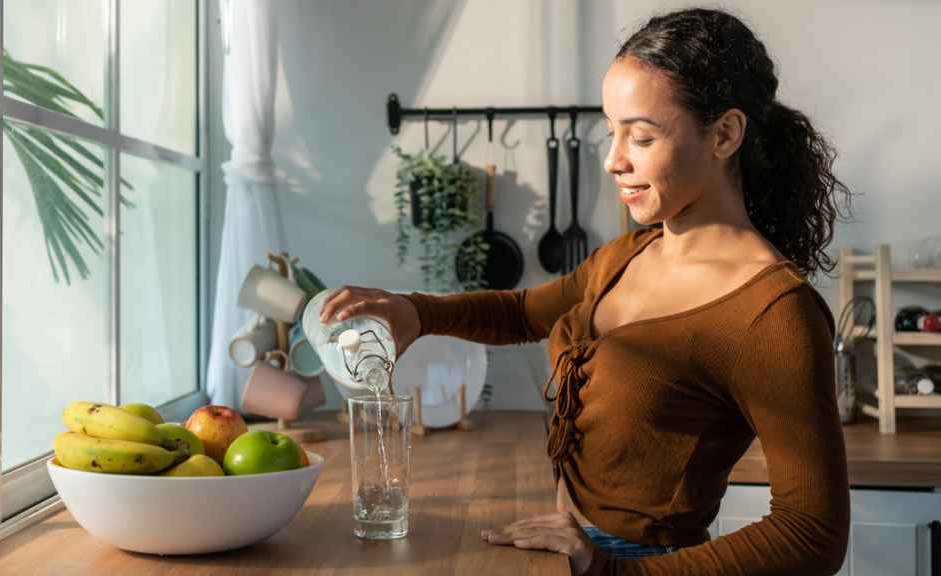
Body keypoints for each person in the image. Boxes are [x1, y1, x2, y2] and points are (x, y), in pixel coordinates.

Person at [321, 7, 852, 575]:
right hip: (571, 553)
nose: (613, 159)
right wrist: (415, 312)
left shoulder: (774, 315)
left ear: (724, 134)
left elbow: (811, 534)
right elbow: (524, 312)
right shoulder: (632, 253)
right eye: (612, 129)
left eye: (642, 136)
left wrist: (614, 571)